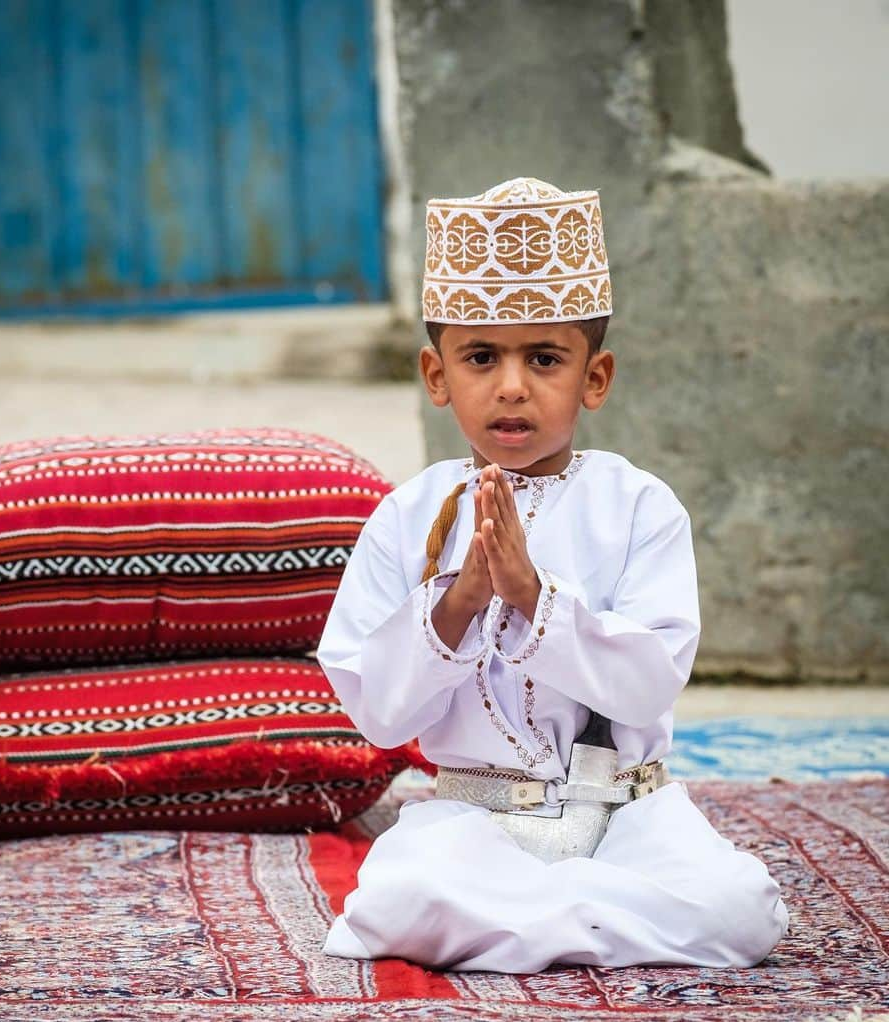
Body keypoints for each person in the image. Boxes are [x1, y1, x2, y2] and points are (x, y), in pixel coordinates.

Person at [315, 177, 789, 973]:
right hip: (475, 821)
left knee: (744, 911)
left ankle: (528, 926)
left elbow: (646, 687)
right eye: (480, 357)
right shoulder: (407, 516)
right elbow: (379, 711)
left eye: (544, 358)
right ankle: (595, 923)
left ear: (593, 378)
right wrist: (459, 603)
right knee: (398, 901)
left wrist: (535, 602)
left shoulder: (639, 505)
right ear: (437, 377)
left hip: (626, 814)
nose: (511, 386)